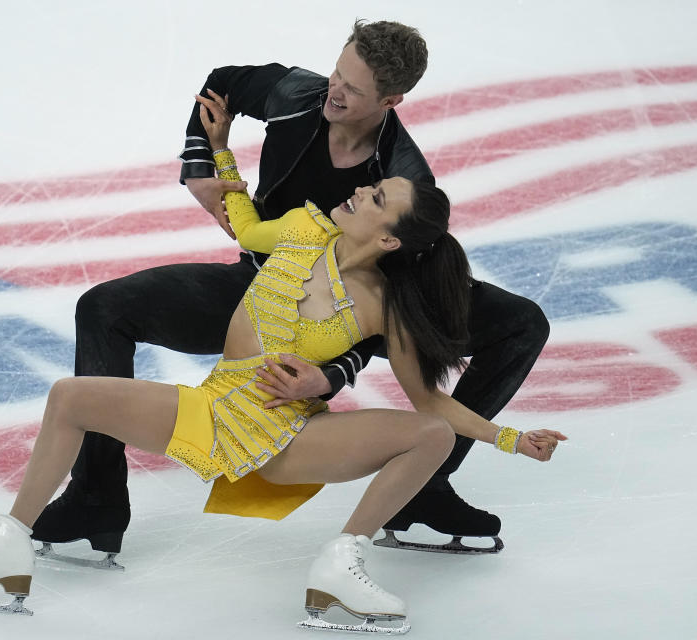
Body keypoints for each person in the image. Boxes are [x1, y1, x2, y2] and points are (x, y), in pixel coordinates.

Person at [0, 92, 566, 632]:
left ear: (390, 237)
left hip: (289, 439)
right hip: (212, 413)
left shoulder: (384, 306)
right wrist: (221, 147)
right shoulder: (302, 228)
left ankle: (340, 569)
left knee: (426, 434)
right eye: (372, 185)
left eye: (376, 198)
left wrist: (511, 438)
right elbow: (242, 223)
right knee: (70, 396)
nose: (363, 190)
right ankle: (6, 550)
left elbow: (429, 402)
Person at [31, 19, 550, 561]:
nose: (335, 91)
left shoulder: (400, 182)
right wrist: (201, 165)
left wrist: (330, 374)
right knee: (103, 308)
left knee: (521, 322)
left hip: (332, 315)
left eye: (354, 88)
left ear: (392, 99)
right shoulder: (298, 94)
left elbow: (383, 306)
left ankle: (422, 487)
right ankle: (96, 498)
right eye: (336, 73)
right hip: (258, 289)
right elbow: (222, 82)